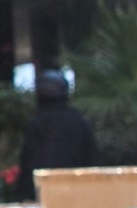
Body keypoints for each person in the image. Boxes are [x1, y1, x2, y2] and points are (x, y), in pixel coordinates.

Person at [16, 66, 100, 194]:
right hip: (78, 191)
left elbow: (29, 165)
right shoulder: (79, 122)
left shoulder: (36, 124)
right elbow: (92, 160)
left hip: (45, 193)